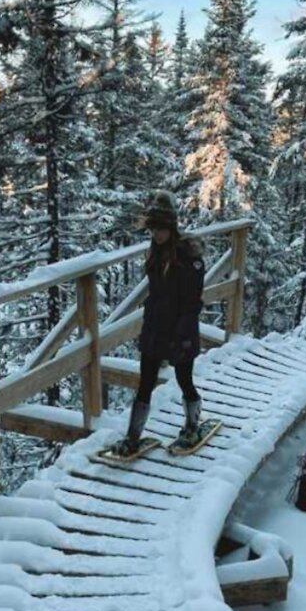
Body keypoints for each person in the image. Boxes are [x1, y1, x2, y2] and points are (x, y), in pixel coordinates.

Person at [109, 190, 207, 457]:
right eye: (153, 229)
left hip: (180, 329)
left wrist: (183, 332)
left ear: (171, 227)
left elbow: (193, 301)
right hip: (155, 328)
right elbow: (156, 293)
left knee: (183, 379)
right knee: (145, 382)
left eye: (161, 229)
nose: (157, 234)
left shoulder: (188, 256)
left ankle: (192, 424)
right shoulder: (155, 253)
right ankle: (132, 436)